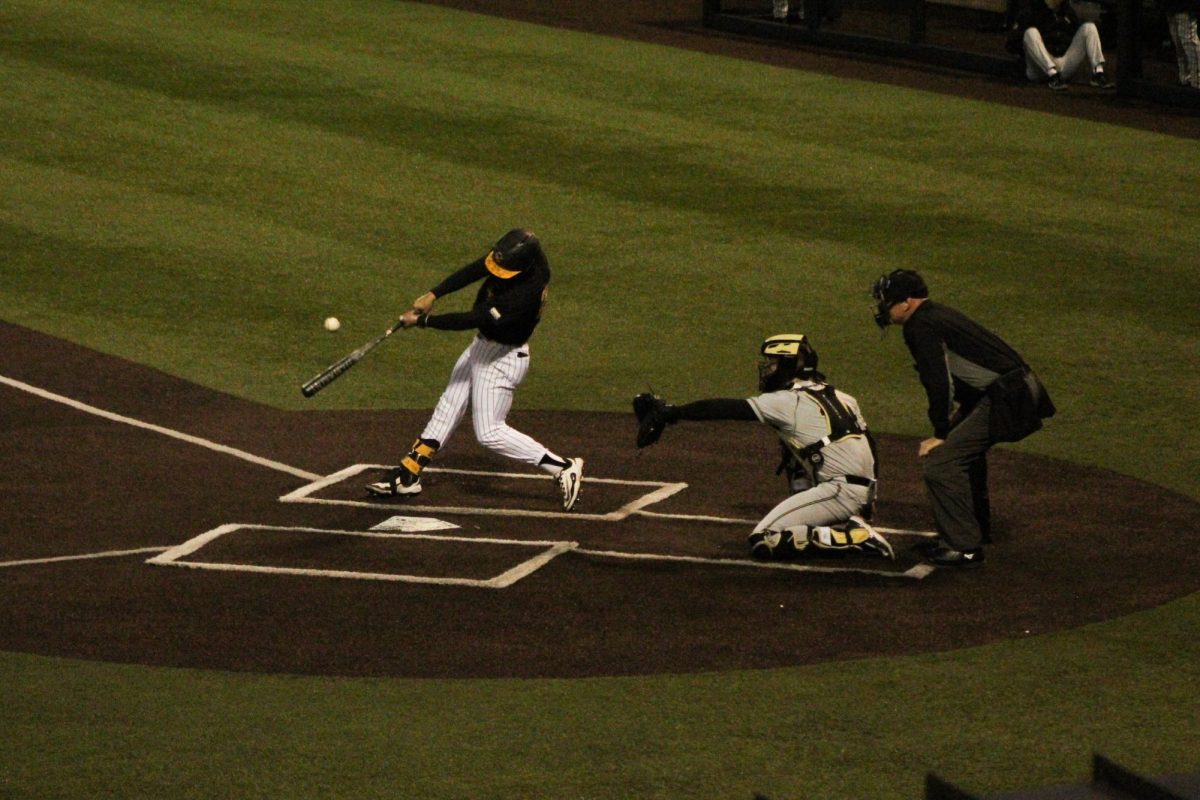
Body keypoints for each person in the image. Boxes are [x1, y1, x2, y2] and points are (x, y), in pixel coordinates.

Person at [366, 228, 584, 512]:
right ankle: (409, 473)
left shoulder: (523, 295)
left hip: (502, 359)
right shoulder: (526, 256)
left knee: (490, 432)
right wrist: (435, 292)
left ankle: (563, 467)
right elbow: (479, 268)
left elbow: (473, 318)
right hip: (483, 347)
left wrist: (423, 322)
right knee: (450, 404)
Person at [633, 334, 895, 562]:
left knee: (765, 539)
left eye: (773, 363)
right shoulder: (844, 397)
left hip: (839, 491)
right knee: (793, 450)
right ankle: (844, 521)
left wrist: (672, 413)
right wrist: (870, 498)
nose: (768, 369)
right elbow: (869, 444)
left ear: (789, 365)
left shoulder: (785, 401)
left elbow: (727, 409)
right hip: (859, 488)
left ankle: (852, 535)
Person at [870, 270, 1055, 567]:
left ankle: (964, 546)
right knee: (964, 452)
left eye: (887, 301)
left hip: (1008, 397)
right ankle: (975, 530)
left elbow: (939, 382)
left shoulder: (921, 326)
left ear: (907, 302)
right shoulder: (936, 315)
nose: (882, 307)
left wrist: (941, 431)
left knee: (941, 463)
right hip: (1013, 391)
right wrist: (960, 416)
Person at [1008, 0, 1112, 90]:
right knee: (1030, 32)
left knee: (1089, 27)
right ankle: (1053, 76)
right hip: (1038, 68)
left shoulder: (1066, 10)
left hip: (1063, 64)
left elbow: (1078, 33)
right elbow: (1011, 43)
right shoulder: (1033, 9)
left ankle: (1098, 73)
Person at [1163, 0, 1200, 88]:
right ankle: (1185, 79)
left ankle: (1196, 81)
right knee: (1179, 44)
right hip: (1171, 7)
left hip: (1185, 7)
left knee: (1188, 44)